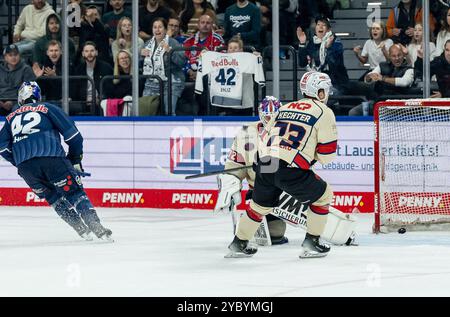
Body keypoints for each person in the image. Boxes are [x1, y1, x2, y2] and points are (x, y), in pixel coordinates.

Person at [226, 71, 338, 258]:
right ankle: (312, 242)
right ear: (319, 92)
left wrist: (259, 162)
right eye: (325, 90)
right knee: (323, 196)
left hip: (265, 163)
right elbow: (327, 155)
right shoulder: (324, 112)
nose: (327, 94)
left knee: (258, 206)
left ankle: (239, 243)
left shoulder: (285, 108)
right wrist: (308, 155)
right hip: (290, 167)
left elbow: (264, 138)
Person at [0, 81, 113, 241]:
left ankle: (81, 230)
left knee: (53, 198)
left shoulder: (11, 117)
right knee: (74, 193)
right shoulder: (48, 108)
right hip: (52, 160)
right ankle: (96, 227)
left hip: (27, 169)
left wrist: (19, 161)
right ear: (37, 95)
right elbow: (74, 137)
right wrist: (74, 159)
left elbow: (2, 148)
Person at [0, 44, 36, 116]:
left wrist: (12, 102)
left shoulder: (26, 69)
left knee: (18, 110)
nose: (13, 57)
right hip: (1, 100)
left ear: (19, 56)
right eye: (10, 55)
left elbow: (29, 90)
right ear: (5, 57)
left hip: (18, 102)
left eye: (15, 55)